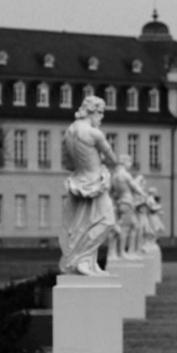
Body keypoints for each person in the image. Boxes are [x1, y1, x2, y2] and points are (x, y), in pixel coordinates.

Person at [59, 96, 118, 275]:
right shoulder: (94, 134)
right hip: (95, 183)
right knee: (107, 221)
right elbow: (112, 158)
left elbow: (66, 163)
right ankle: (81, 260)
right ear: (91, 111)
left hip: (78, 182)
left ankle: (90, 264)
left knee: (82, 225)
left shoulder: (69, 132)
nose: (101, 118)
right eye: (100, 113)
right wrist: (99, 162)